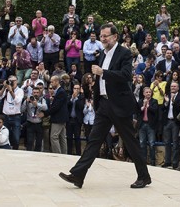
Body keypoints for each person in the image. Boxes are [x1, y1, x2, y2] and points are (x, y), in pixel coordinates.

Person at [59, 24, 151, 189]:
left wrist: (103, 72)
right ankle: (78, 175)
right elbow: (100, 81)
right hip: (104, 104)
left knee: (130, 141)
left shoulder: (124, 53)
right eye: (101, 36)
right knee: (94, 140)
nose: (103, 39)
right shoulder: (102, 53)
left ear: (115, 36)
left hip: (120, 105)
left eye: (106, 36)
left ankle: (144, 177)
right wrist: (97, 99)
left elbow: (125, 76)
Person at [0, 75, 24, 150]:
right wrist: (4, 87)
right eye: (9, 80)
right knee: (5, 136)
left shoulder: (20, 90)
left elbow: (17, 100)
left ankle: (15, 150)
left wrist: (11, 91)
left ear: (17, 81)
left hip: (15, 116)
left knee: (16, 137)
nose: (11, 82)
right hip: (6, 116)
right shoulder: (6, 90)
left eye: (13, 81)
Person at [161, 81, 180, 169]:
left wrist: (171, 102)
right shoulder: (167, 96)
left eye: (175, 86)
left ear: (178, 88)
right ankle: (167, 161)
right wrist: (166, 103)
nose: (173, 88)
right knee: (166, 143)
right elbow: (163, 108)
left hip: (175, 122)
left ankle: (175, 162)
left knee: (175, 143)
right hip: (167, 121)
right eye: (172, 86)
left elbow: (179, 109)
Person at [22, 86, 47, 151]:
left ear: (40, 93)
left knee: (39, 142)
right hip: (30, 123)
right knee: (29, 141)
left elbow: (45, 108)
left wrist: (37, 104)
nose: (36, 94)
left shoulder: (42, 100)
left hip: (39, 123)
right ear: (32, 93)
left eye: (37, 92)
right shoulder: (28, 100)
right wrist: (26, 102)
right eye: (34, 92)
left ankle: (37, 155)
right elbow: (22, 110)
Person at [138, 86, 158, 165]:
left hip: (150, 125)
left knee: (152, 144)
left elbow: (155, 111)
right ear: (143, 93)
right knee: (142, 143)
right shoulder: (140, 101)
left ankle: (152, 161)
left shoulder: (154, 101)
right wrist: (143, 106)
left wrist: (148, 106)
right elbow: (137, 111)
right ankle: (143, 161)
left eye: (149, 92)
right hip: (142, 124)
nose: (148, 93)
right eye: (146, 92)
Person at [48, 75, 68, 154]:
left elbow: (56, 107)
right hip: (62, 118)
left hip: (58, 118)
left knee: (54, 137)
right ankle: (64, 154)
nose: (51, 84)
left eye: (52, 82)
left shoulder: (61, 92)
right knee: (62, 137)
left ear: (56, 81)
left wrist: (46, 113)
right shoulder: (60, 91)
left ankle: (58, 155)